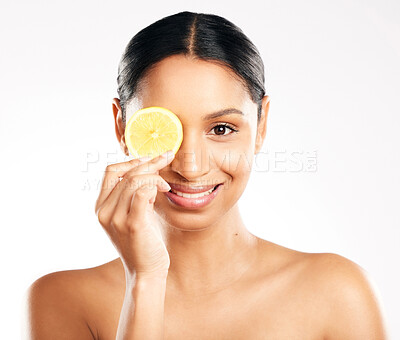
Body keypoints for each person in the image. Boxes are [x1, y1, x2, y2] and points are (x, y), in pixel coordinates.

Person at [24, 11, 387, 340]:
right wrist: (145, 281)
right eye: (166, 130)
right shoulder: (61, 300)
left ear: (261, 127)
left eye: (222, 129)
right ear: (121, 127)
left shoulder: (337, 293)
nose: (190, 166)